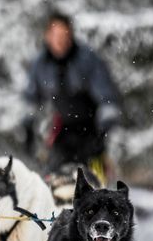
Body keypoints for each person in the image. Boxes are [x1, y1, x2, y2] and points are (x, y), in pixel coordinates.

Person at [24, 11, 123, 183]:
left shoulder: (87, 59)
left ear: (70, 35)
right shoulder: (40, 64)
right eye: (55, 35)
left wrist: (105, 127)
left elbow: (107, 97)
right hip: (62, 129)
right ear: (47, 36)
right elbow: (31, 99)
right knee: (55, 177)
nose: (59, 40)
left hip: (92, 129)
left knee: (95, 181)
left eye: (64, 35)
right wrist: (28, 126)